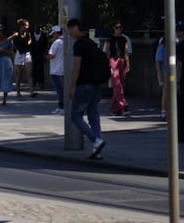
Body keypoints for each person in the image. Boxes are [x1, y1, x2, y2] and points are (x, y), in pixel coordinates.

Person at [68, 18, 108, 159]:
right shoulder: (92, 43)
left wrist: (72, 86)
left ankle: (96, 140)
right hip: (96, 85)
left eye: (71, 29)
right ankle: (97, 150)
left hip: (84, 84)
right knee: (93, 115)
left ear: (77, 28)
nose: (69, 32)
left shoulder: (79, 45)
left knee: (75, 115)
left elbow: (77, 67)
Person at [104, 20, 132, 116]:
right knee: (117, 84)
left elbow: (126, 52)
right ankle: (124, 105)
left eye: (120, 27)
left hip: (122, 61)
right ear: (113, 28)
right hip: (113, 61)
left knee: (121, 85)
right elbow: (106, 52)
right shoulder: (110, 39)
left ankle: (116, 108)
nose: (119, 29)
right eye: (117, 27)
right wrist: (108, 65)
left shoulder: (124, 39)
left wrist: (128, 64)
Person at [12, 18, 36, 98]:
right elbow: (9, 40)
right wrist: (13, 37)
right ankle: (18, 91)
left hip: (27, 53)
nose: (27, 27)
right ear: (22, 26)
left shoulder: (28, 34)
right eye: (26, 25)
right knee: (19, 74)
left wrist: (29, 42)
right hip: (19, 54)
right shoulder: (17, 34)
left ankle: (31, 91)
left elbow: (30, 41)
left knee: (30, 73)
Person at [46, 25, 65, 115]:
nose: (53, 36)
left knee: (59, 90)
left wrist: (45, 56)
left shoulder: (57, 42)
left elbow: (51, 55)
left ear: (56, 33)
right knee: (63, 89)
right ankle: (61, 106)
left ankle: (61, 107)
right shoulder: (66, 41)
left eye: (53, 34)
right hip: (63, 69)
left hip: (56, 69)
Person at [155, 36, 168, 119]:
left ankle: (167, 111)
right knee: (166, 92)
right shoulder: (162, 47)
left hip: (171, 72)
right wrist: (160, 75)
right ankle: (163, 111)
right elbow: (158, 62)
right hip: (165, 72)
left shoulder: (175, 46)